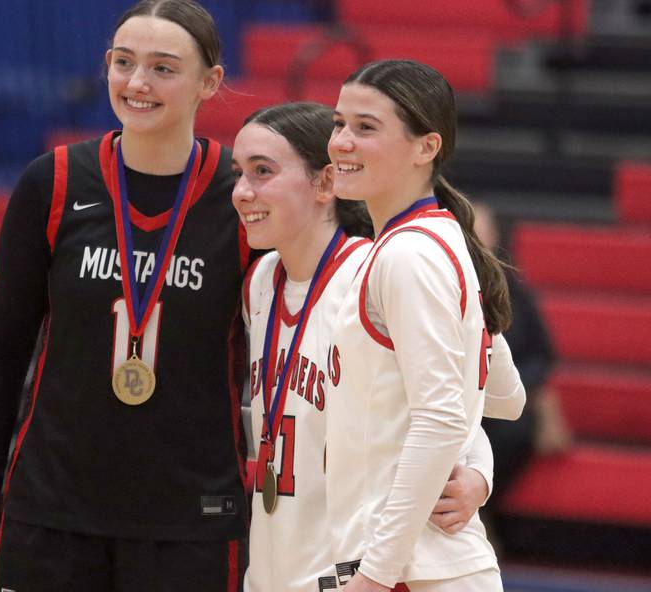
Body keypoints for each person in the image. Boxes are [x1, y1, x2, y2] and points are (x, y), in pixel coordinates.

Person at [0, 2, 252, 590]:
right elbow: (4, 352)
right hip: (51, 511)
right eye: (123, 62)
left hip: (191, 519)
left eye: (163, 68)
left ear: (210, 82)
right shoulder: (54, 180)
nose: (137, 83)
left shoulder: (242, 198)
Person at [232, 101, 525, 592]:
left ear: (326, 183)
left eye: (262, 172)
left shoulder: (384, 270)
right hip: (276, 565)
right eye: (238, 173)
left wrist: (479, 470)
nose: (242, 192)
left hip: (359, 570)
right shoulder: (260, 281)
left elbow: (493, 391)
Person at [324, 60, 523, 592]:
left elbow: (440, 418)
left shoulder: (410, 255)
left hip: (414, 570)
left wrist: (374, 576)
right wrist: (476, 471)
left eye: (366, 127)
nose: (342, 141)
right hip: (418, 563)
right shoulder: (436, 239)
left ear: (425, 147)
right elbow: (502, 395)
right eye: (339, 123)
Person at [473, 202, 572, 509]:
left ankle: (483, 506)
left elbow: (541, 354)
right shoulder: (437, 284)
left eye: (481, 230)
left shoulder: (513, 290)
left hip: (504, 398)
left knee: (514, 430)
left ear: (495, 235)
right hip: (455, 400)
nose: (474, 238)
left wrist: (521, 386)